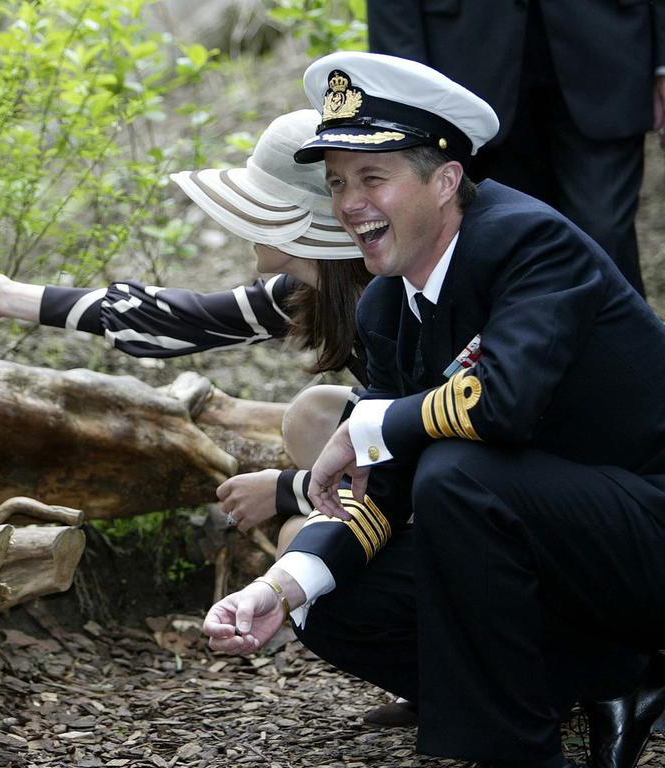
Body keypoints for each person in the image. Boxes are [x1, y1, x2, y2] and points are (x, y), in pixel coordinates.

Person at [203, 51, 665, 768]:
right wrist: (278, 585)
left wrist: (366, 424)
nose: (349, 203)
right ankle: (589, 692)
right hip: (557, 556)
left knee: (456, 473)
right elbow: (379, 494)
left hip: (645, 539)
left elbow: (502, 402)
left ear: (446, 180)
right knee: (330, 602)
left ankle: (516, 750)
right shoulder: (390, 306)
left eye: (372, 178)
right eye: (336, 183)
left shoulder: (527, 242)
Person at [0, 109, 371, 534]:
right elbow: (179, 319)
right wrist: (10, 296)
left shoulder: (385, 297)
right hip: (403, 456)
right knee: (312, 417)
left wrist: (286, 489)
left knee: (299, 529)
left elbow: (426, 434)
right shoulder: (303, 293)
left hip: (427, 471)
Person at [364, 0, 665, 296]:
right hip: (464, 64)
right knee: (500, 245)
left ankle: (615, 345)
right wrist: (401, 84)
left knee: (604, 234)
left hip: (609, 52)